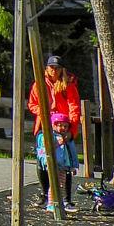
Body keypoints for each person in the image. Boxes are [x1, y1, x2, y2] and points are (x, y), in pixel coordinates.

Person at [28, 53, 84, 215]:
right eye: (52, 67)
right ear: (47, 68)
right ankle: (45, 195)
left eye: (57, 68)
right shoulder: (39, 84)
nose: (54, 71)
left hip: (63, 128)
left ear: (62, 70)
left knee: (65, 162)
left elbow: (74, 107)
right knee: (42, 161)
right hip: (44, 127)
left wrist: (71, 130)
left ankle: (66, 199)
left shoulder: (68, 85)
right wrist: (44, 112)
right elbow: (32, 104)